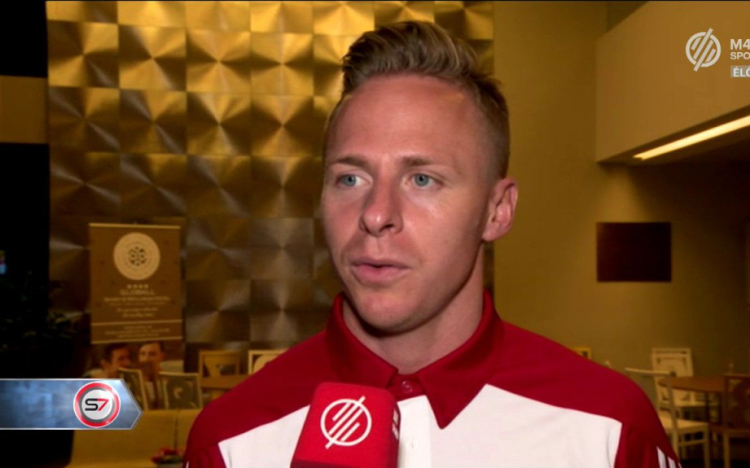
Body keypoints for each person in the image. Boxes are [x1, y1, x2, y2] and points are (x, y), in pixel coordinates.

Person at [184, 21, 678, 467]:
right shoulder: (230, 442)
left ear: (497, 210)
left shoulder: (610, 430)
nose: (376, 214)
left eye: (422, 179)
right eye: (351, 178)